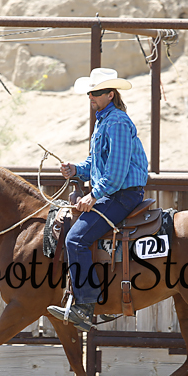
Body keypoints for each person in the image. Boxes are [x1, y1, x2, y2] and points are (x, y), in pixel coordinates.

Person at [47, 67, 149, 332]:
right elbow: (96, 163)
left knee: (75, 239)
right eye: (89, 93)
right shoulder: (104, 121)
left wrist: (93, 195)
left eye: (96, 92)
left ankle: (84, 306)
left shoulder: (117, 123)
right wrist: (76, 169)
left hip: (122, 195)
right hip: (115, 192)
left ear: (110, 94)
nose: (90, 97)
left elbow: (116, 174)